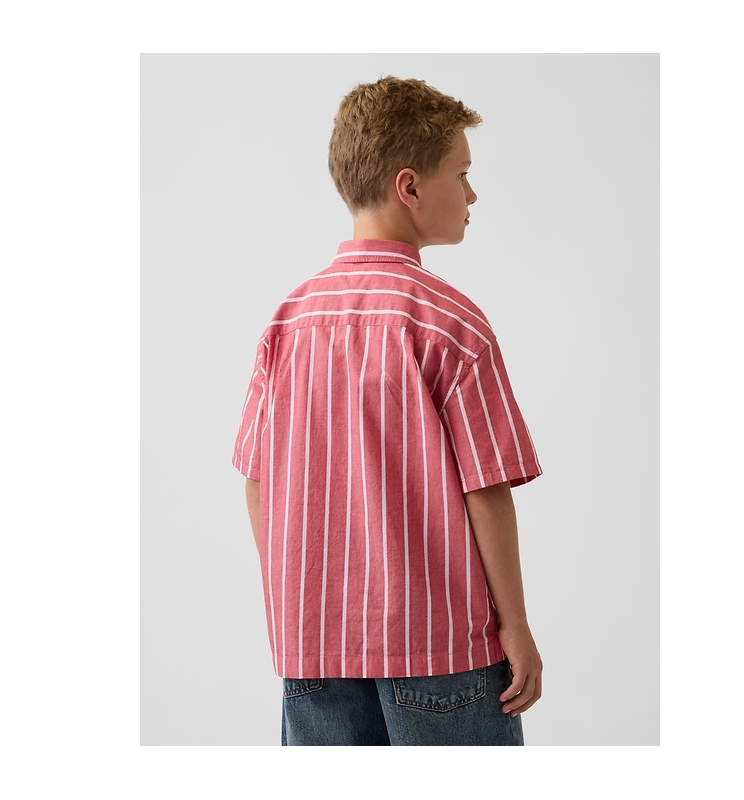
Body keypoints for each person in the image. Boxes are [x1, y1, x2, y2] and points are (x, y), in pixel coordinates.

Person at [232, 76, 544, 746]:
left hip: (311, 647)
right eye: (461, 174)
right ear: (410, 187)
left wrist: (295, 602)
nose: (472, 194)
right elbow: (486, 489)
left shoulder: (287, 324)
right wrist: (515, 625)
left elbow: (257, 482)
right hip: (440, 646)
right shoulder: (451, 325)